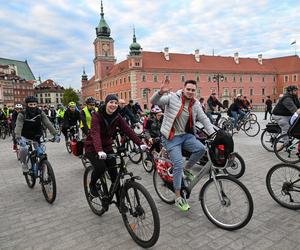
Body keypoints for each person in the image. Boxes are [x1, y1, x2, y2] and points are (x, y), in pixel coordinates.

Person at [150, 79, 214, 212]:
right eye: (188, 89)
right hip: (171, 137)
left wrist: (213, 133)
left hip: (186, 135)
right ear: (183, 89)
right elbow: (154, 101)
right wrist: (160, 92)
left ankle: (187, 168)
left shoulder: (195, 104)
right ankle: (178, 197)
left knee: (201, 149)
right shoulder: (172, 97)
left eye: (193, 90)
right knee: (177, 163)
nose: (190, 92)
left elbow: (204, 118)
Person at [84, 94, 147, 200]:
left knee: (114, 175)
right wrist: (99, 150)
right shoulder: (97, 116)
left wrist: (140, 143)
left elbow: (128, 130)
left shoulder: (117, 116)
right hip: (92, 147)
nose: (113, 105)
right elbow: (95, 134)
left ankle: (120, 202)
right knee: (101, 168)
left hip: (107, 147)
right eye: (111, 102)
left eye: (116, 103)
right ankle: (92, 185)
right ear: (106, 103)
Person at [14, 96, 60, 173]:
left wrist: (55, 134)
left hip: (37, 135)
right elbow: (18, 126)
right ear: (27, 105)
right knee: (24, 149)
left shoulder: (40, 112)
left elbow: (48, 123)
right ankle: (24, 163)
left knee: (41, 152)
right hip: (25, 136)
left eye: (35, 104)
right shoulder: (22, 114)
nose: (33, 106)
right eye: (30, 104)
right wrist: (18, 137)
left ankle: (42, 166)